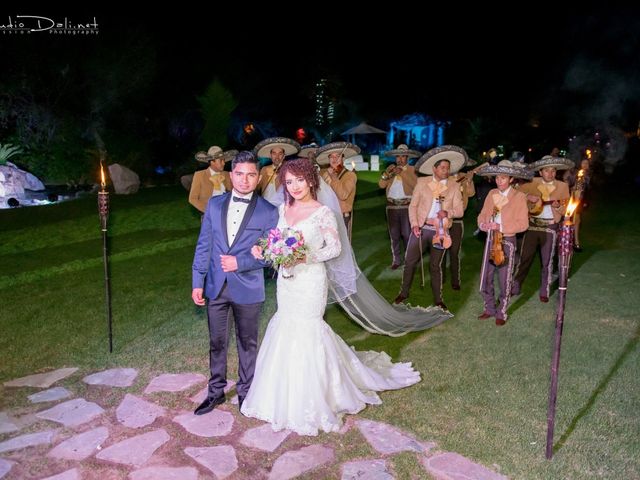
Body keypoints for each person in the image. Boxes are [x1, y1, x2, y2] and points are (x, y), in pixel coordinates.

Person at [241, 157, 421, 435]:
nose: (295, 186)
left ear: (311, 180)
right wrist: (263, 249)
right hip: (287, 283)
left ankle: (317, 395)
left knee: (309, 328)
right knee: (286, 324)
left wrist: (303, 256)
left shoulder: (322, 212)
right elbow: (275, 239)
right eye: (289, 182)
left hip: (311, 280)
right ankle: (281, 393)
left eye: (299, 180)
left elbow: (334, 248)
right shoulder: (283, 209)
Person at [191, 151, 279, 415]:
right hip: (216, 286)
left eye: (251, 175)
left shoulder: (269, 212)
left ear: (259, 177)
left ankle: (245, 393)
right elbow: (204, 245)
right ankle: (215, 392)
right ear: (231, 176)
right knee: (216, 342)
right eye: (239, 174)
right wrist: (198, 281)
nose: (244, 180)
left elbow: (271, 255)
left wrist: (240, 263)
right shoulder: (215, 205)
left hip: (248, 287)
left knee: (247, 343)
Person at [393, 146, 465, 310]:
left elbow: (460, 211)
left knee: (435, 266)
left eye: (447, 168)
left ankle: (438, 299)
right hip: (421, 228)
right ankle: (403, 292)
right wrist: (415, 225)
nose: (446, 171)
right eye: (442, 168)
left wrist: (448, 212)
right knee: (410, 262)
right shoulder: (422, 182)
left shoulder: (454, 186)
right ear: (434, 169)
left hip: (440, 232)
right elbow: (413, 206)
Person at [476, 161, 532, 325]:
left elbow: (523, 224)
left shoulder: (519, 197)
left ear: (511, 179)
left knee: (504, 279)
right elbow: (483, 214)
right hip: (490, 239)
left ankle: (502, 312)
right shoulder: (492, 193)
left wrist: (501, 226)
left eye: (503, 178)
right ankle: (489, 308)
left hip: (507, 241)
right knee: (485, 277)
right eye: (497, 177)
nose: (499, 181)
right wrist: (483, 224)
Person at [512, 155, 572, 302]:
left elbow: (567, 210)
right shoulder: (532, 182)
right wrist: (528, 196)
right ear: (540, 172)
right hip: (532, 225)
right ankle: (514, 287)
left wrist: (559, 207)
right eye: (546, 170)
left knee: (547, 261)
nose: (550, 174)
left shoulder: (562, 186)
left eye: (553, 170)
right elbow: (515, 192)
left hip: (550, 226)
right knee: (524, 258)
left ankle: (544, 291)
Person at [379, 144, 420, 269]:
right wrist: (388, 174)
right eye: (398, 156)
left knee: (407, 234)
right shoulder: (391, 168)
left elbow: (416, 186)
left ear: (407, 157)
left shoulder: (413, 170)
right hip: (391, 206)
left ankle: (409, 260)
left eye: (403, 156)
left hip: (406, 206)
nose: (400, 159)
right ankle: (396, 260)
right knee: (394, 235)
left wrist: (402, 173)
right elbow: (381, 184)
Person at [316, 142, 360, 240]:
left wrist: (333, 177)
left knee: (344, 248)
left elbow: (343, 195)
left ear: (343, 159)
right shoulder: (325, 175)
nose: (334, 159)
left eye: (338, 156)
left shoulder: (350, 175)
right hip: (327, 216)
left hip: (342, 216)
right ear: (329, 159)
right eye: (331, 157)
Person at [445, 156, 477, 290]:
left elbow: (471, 194)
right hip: (444, 218)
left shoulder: (465, 176)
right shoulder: (444, 177)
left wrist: (469, 181)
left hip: (458, 220)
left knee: (454, 251)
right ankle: (439, 278)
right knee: (440, 250)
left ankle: (455, 280)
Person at [189, 146, 237, 214]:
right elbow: (192, 198)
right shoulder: (200, 175)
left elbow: (233, 194)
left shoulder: (227, 175)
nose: (224, 163)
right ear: (212, 162)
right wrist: (208, 211)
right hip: (209, 215)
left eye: (224, 160)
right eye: (221, 161)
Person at [254, 137, 301, 206]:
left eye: (280, 153)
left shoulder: (290, 169)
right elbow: (256, 188)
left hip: (284, 207)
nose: (277, 157)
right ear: (270, 155)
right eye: (274, 153)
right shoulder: (264, 169)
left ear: (284, 156)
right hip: (266, 206)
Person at [562, 158, 591, 251]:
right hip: (571, 199)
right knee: (569, 220)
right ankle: (569, 242)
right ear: (580, 164)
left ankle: (574, 242)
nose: (585, 165)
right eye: (583, 163)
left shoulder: (588, 175)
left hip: (580, 201)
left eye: (587, 163)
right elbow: (565, 179)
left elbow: (588, 188)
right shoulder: (574, 172)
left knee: (577, 221)